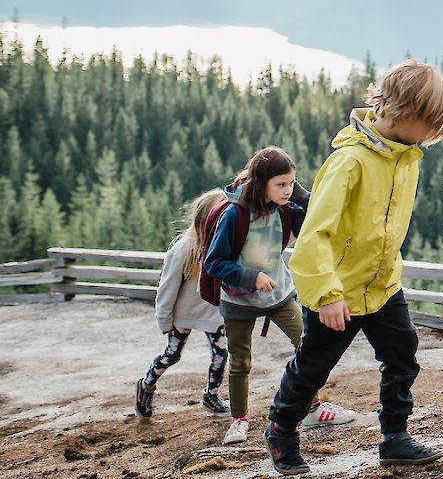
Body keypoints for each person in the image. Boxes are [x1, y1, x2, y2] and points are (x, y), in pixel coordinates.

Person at [265, 59, 443, 475]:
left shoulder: (406, 158)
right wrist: (327, 294)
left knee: (402, 355)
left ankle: (394, 436)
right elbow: (314, 234)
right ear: (403, 110)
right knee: (314, 366)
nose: (429, 137)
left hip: (383, 285)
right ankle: (281, 429)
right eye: (428, 125)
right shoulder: (349, 161)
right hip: (337, 292)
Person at [203, 146, 356, 445]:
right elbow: (214, 261)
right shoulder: (234, 215)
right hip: (238, 300)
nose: (287, 191)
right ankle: (238, 422)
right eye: (281, 185)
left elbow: (317, 219)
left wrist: (299, 193)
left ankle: (311, 408)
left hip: (279, 294)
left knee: (308, 345)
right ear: (262, 184)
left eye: (291, 183)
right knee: (240, 362)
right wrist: (251, 276)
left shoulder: (286, 209)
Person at [135, 189, 230, 419]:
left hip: (212, 313)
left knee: (221, 354)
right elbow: (167, 287)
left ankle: (211, 395)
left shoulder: (224, 243)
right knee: (172, 354)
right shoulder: (183, 248)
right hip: (183, 314)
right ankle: (146, 385)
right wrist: (164, 319)